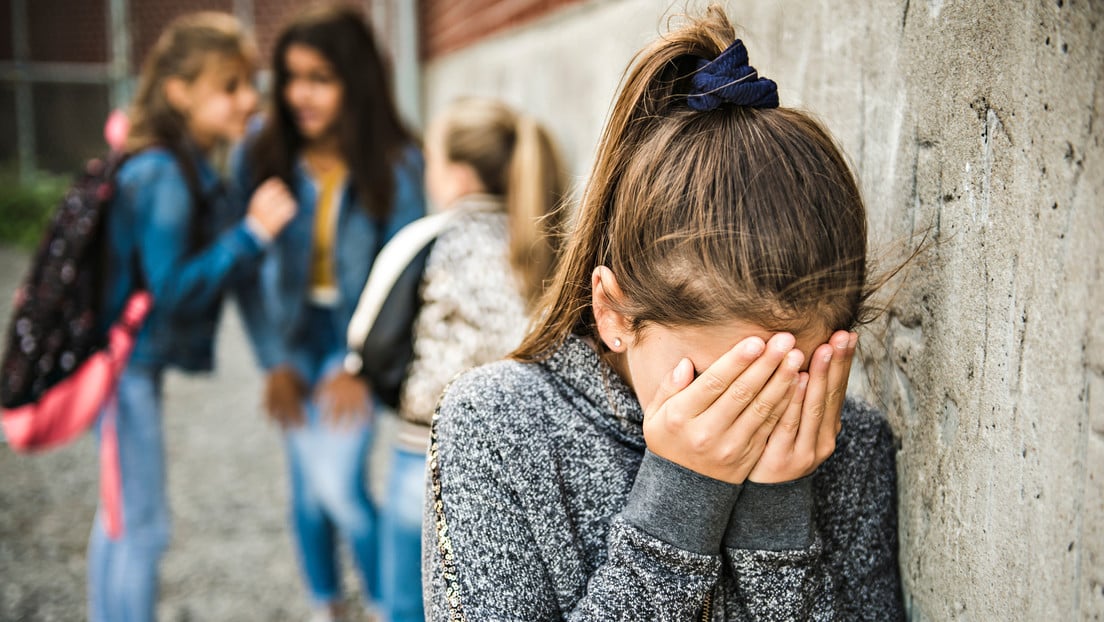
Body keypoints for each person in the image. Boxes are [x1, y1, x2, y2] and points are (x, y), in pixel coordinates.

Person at [423, 6, 905, 621]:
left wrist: (780, 524)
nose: (751, 415)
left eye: (788, 377)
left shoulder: (846, 444)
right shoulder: (497, 427)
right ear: (614, 314)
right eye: (719, 383)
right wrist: (679, 505)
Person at [90, 12, 296, 622]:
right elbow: (173, 290)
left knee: (120, 514)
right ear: (180, 92)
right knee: (142, 527)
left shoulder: (203, 162)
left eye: (249, 83)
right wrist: (253, 235)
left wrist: (273, 360)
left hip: (128, 364)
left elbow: (243, 285)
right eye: (229, 87)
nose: (249, 100)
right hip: (125, 367)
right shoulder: (163, 174)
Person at [231, 5, 426, 621]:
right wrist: (273, 361)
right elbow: (243, 271)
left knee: (340, 489)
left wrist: (359, 365)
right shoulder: (261, 155)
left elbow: (404, 276)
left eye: (320, 77)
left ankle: (382, 604)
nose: (299, 95)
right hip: (293, 337)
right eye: (290, 77)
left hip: (357, 338)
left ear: (356, 81)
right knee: (306, 491)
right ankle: (326, 606)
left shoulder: (397, 164)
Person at [369, 97, 566, 622]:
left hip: (423, 451)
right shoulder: (555, 242)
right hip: (527, 457)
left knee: (408, 606)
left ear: (456, 175)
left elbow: (370, 343)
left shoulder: (426, 239)